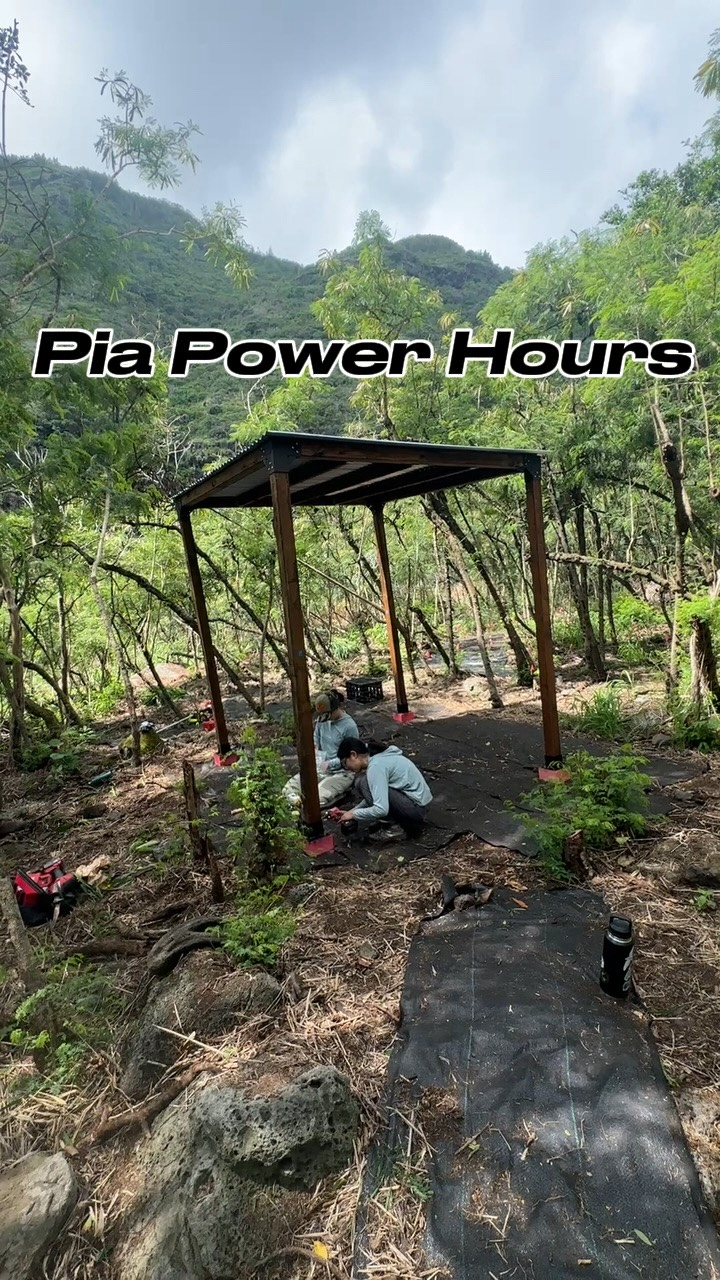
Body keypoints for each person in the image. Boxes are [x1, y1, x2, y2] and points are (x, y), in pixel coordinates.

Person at [334, 737, 433, 840]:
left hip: (417, 808)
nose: (348, 768)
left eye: (345, 763)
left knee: (363, 782)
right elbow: (375, 795)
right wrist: (352, 811)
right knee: (362, 781)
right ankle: (391, 821)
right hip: (417, 804)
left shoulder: (376, 766)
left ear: (353, 755)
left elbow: (381, 809)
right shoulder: (378, 757)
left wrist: (354, 815)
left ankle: (393, 828)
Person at [283, 690, 359, 810]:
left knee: (315, 799)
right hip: (320, 768)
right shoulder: (322, 721)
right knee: (289, 790)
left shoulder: (349, 727)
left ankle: (341, 796)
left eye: (326, 715)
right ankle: (298, 806)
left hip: (341, 772)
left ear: (335, 709)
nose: (324, 718)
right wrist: (315, 752)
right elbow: (316, 739)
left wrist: (329, 764)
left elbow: (351, 758)